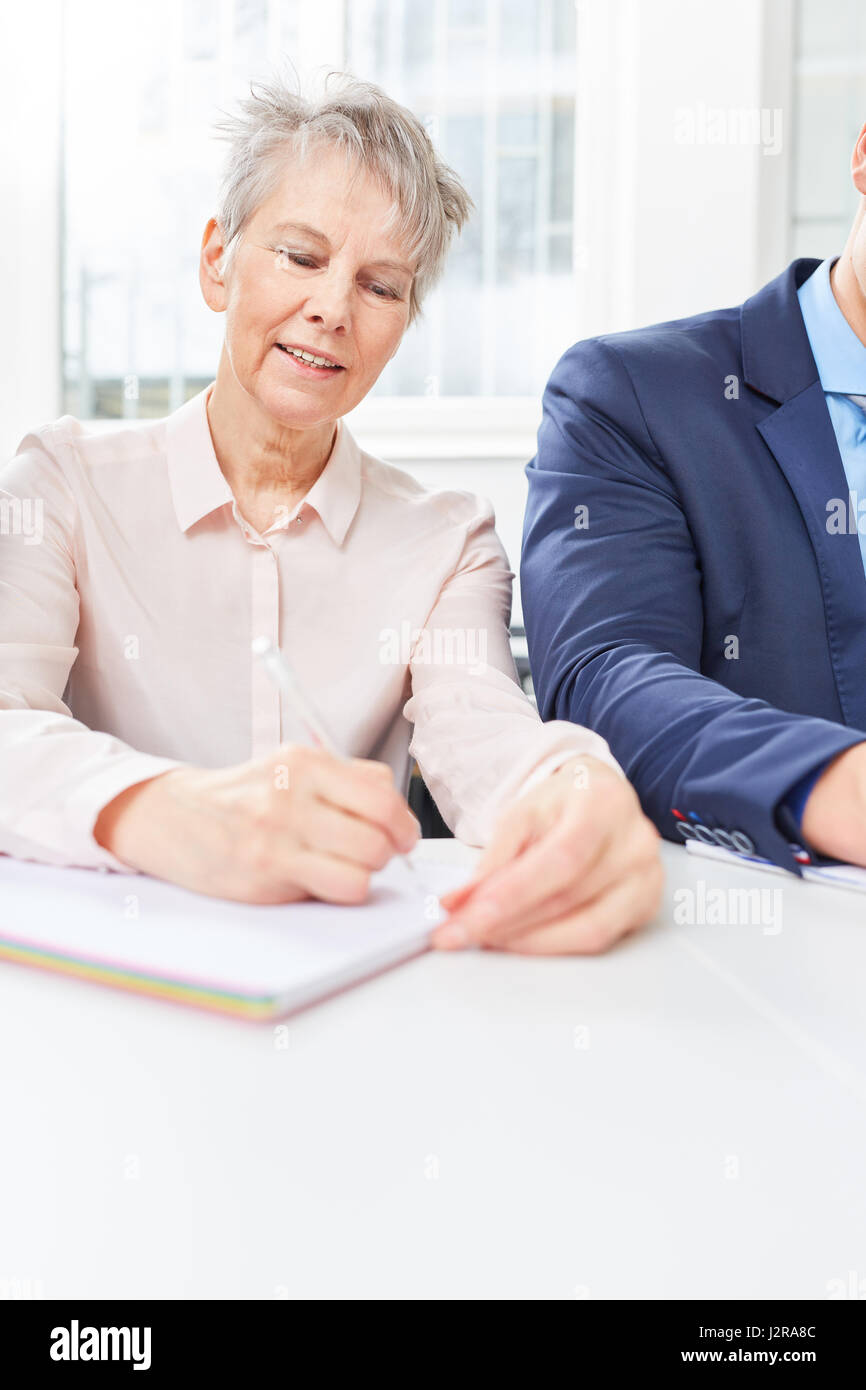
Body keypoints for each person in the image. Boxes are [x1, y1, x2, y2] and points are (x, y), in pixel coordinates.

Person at [0, 74, 662, 957]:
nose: (333, 310)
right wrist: (171, 812)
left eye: (382, 287)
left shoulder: (448, 540)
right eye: (300, 257)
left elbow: (483, 736)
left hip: (337, 982)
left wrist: (576, 789)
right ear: (216, 263)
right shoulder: (63, 483)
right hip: (110, 973)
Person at [522, 118, 866, 875]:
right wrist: (833, 786)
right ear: (865, 154)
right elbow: (603, 676)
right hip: (761, 942)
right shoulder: (634, 394)